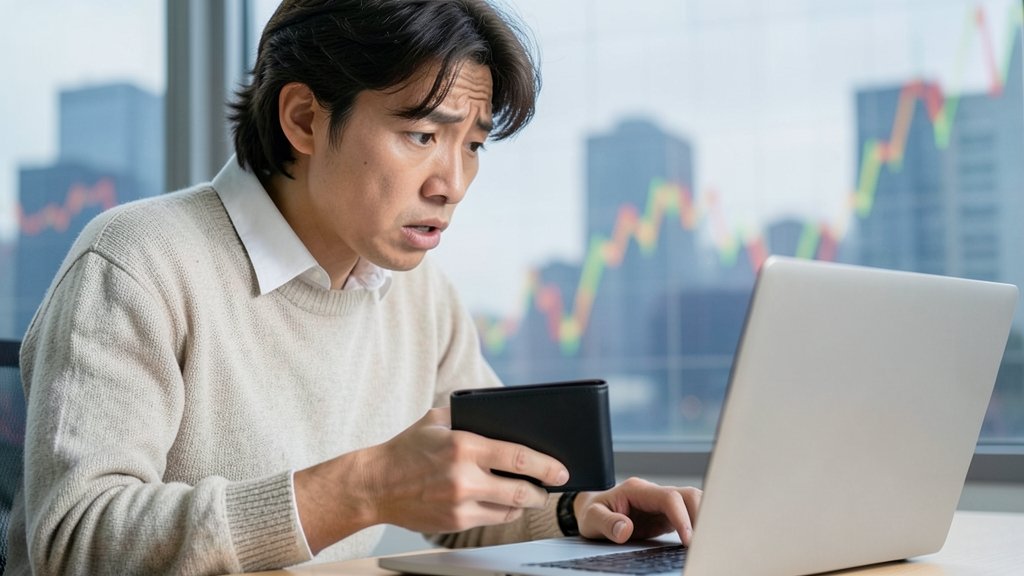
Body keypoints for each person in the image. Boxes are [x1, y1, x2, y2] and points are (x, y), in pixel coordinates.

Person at [6, 1, 701, 574]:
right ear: (304, 119)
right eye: (423, 133)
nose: (452, 184)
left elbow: (470, 495)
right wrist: (362, 489)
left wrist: (583, 512)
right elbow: (76, 545)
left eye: (473, 145)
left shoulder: (420, 293)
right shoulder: (137, 260)